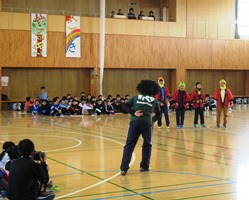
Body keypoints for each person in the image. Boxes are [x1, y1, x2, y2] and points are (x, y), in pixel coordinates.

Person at [120, 80, 160, 176]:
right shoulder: (154, 101)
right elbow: (158, 113)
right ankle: (144, 166)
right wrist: (153, 120)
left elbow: (125, 106)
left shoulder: (135, 97)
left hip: (134, 122)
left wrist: (133, 112)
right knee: (147, 144)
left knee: (129, 145)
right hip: (146, 123)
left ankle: (124, 168)